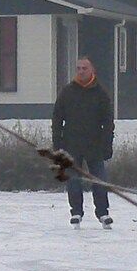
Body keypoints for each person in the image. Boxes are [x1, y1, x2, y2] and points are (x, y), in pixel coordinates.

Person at [51, 55, 116, 227]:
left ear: (92, 70)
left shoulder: (101, 94)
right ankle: (76, 212)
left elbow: (108, 122)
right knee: (73, 181)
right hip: (71, 144)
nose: (81, 71)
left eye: (84, 68)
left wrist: (107, 145)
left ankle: (103, 213)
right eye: (78, 68)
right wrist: (57, 144)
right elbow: (57, 118)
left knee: (99, 180)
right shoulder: (67, 92)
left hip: (94, 145)